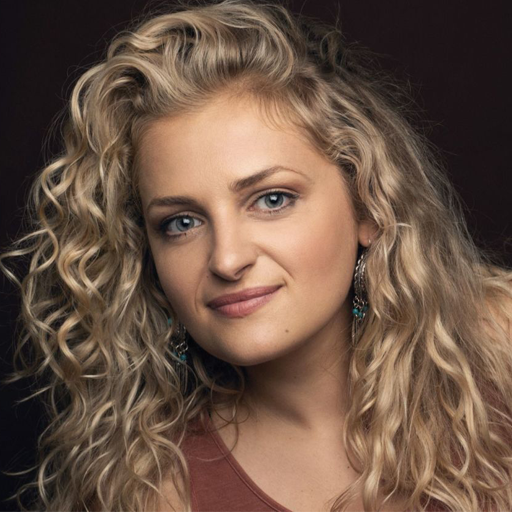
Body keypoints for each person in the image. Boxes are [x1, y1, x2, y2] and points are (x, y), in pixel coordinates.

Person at [1, 0, 511, 511]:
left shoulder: (499, 344)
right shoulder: (154, 490)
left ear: (368, 204)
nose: (227, 260)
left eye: (272, 200)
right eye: (182, 223)